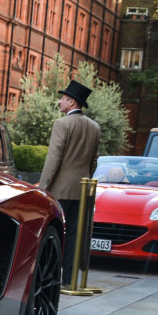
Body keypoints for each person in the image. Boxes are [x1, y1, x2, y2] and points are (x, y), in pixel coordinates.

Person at [39, 80, 101, 284]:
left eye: (63, 99)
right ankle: (69, 279)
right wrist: (84, 180)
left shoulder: (62, 124)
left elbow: (54, 158)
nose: (59, 102)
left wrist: (42, 187)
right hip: (82, 191)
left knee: (53, 235)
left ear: (72, 102)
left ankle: (51, 278)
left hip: (60, 190)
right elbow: (93, 162)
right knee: (76, 235)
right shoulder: (94, 127)